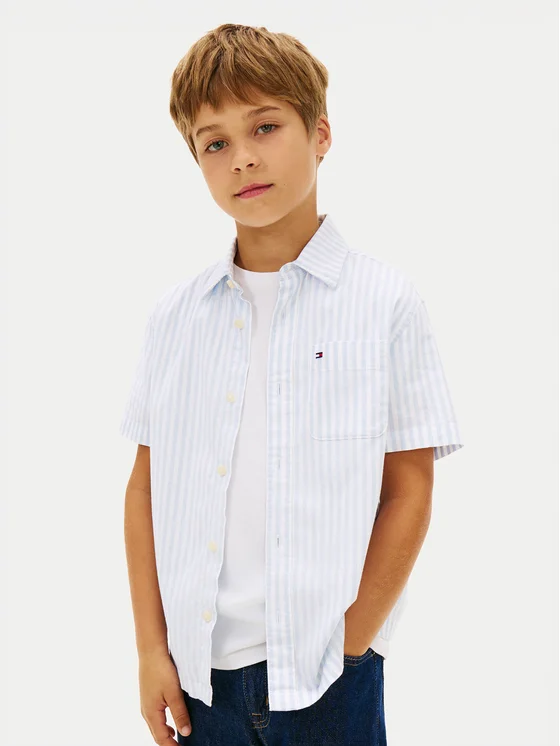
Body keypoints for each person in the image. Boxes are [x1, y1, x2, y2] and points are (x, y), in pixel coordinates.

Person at [120, 22, 464, 746]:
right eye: (215, 143)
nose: (243, 157)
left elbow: (409, 488)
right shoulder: (174, 318)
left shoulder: (384, 302)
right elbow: (146, 489)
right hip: (199, 681)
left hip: (328, 674)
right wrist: (152, 649)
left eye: (265, 127)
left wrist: (351, 644)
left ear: (321, 133)